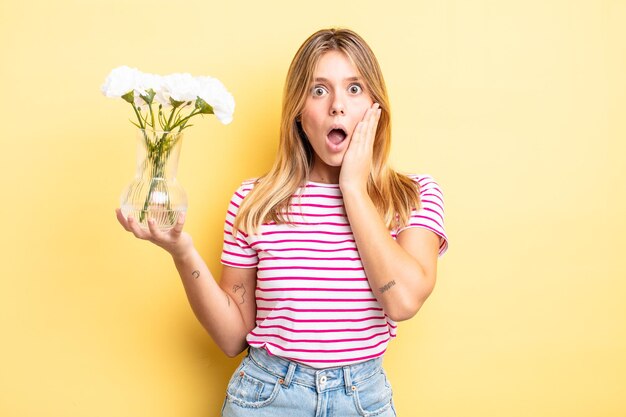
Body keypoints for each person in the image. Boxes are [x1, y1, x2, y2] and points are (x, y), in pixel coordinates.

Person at [116, 28, 448, 417]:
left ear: (376, 106)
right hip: (266, 399)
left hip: (363, 400)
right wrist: (181, 252)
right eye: (319, 90)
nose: (337, 106)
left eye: (354, 88)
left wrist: (354, 189)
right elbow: (231, 337)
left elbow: (403, 301)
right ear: (298, 112)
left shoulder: (412, 196)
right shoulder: (255, 201)